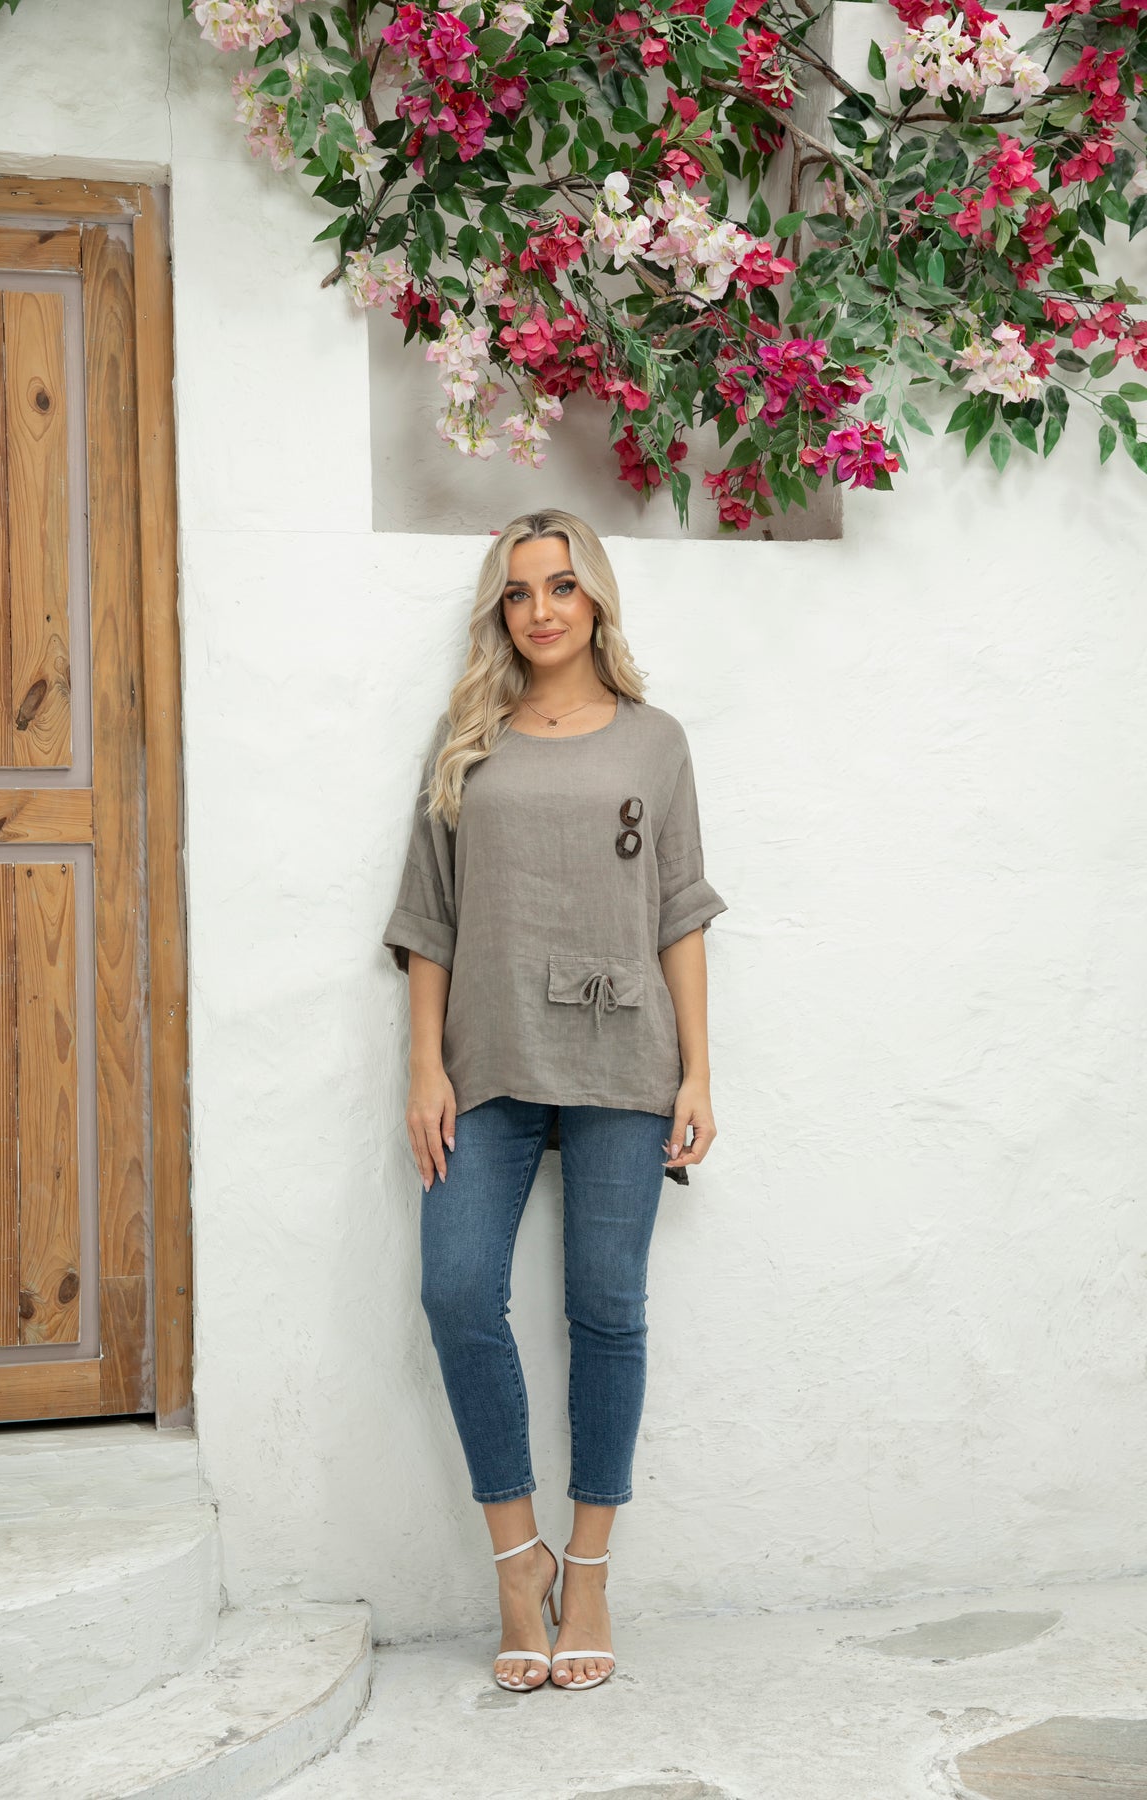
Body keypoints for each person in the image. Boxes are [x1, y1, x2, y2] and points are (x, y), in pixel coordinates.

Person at [382, 508, 728, 1694]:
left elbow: (679, 909)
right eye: (520, 591)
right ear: (501, 610)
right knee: (455, 1290)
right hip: (487, 1059)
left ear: (597, 601)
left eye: (562, 587)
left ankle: (588, 1573)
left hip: (625, 1059)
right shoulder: (466, 741)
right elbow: (429, 916)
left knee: (606, 1309)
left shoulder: (654, 742)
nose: (541, 610)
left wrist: (698, 1068)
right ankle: (514, 1561)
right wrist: (424, 1067)